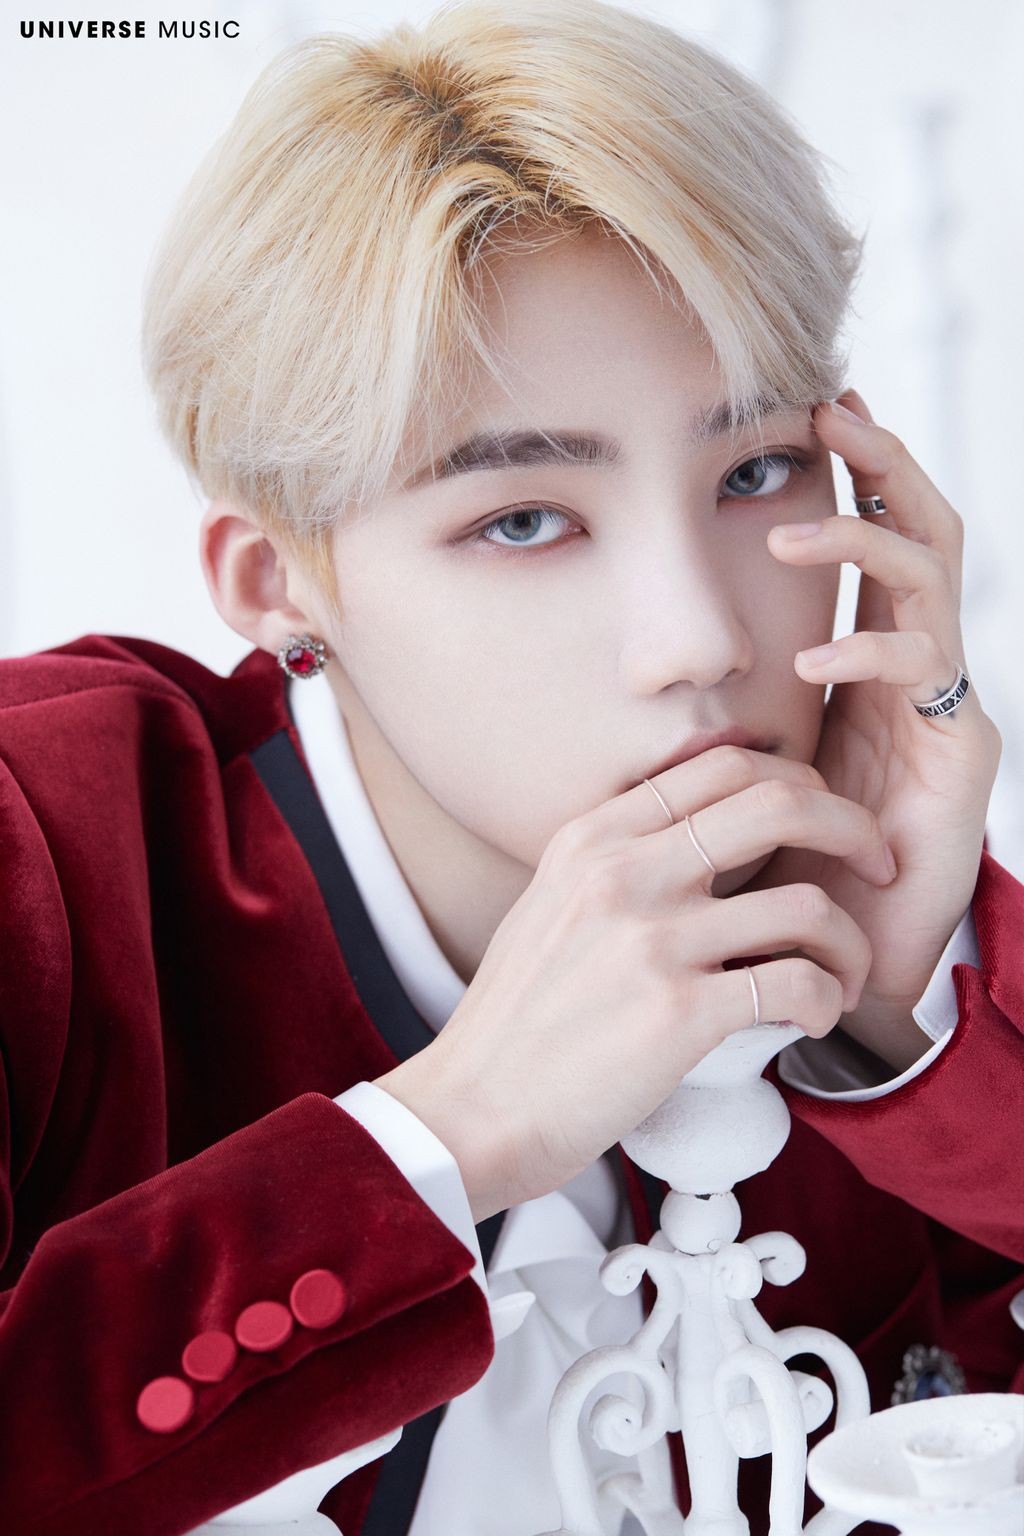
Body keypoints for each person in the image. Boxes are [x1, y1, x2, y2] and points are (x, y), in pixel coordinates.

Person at [1, 2, 1021, 1534]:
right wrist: (446, 1137)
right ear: (281, 581)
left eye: (756, 471)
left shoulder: (867, 920)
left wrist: (905, 1029)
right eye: (524, 520)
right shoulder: (43, 849)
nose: (697, 639)